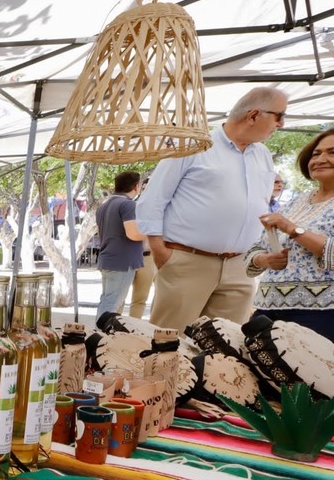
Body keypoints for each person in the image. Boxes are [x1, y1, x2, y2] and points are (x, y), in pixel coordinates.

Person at [137, 88, 285, 330]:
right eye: (279, 116)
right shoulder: (195, 144)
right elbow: (154, 199)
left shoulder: (263, 154)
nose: (281, 124)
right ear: (254, 115)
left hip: (240, 267)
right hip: (187, 261)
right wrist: (160, 252)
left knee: (225, 348)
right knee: (171, 345)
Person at [245, 129, 334, 334]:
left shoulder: (287, 216)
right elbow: (255, 250)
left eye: (332, 152)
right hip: (269, 310)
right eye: (316, 154)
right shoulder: (296, 201)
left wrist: (293, 229)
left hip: (322, 315)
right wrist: (265, 260)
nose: (321, 159)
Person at [94, 171, 145, 324]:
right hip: (122, 261)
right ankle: (99, 338)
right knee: (112, 304)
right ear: (136, 187)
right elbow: (133, 234)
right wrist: (153, 232)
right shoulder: (128, 204)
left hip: (107, 258)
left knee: (107, 300)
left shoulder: (103, 206)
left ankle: (97, 335)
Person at [127, 172, 156, 318]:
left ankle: (135, 329)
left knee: (142, 299)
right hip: (134, 255)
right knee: (123, 298)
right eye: (144, 187)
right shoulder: (132, 206)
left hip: (151, 257)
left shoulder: (160, 207)